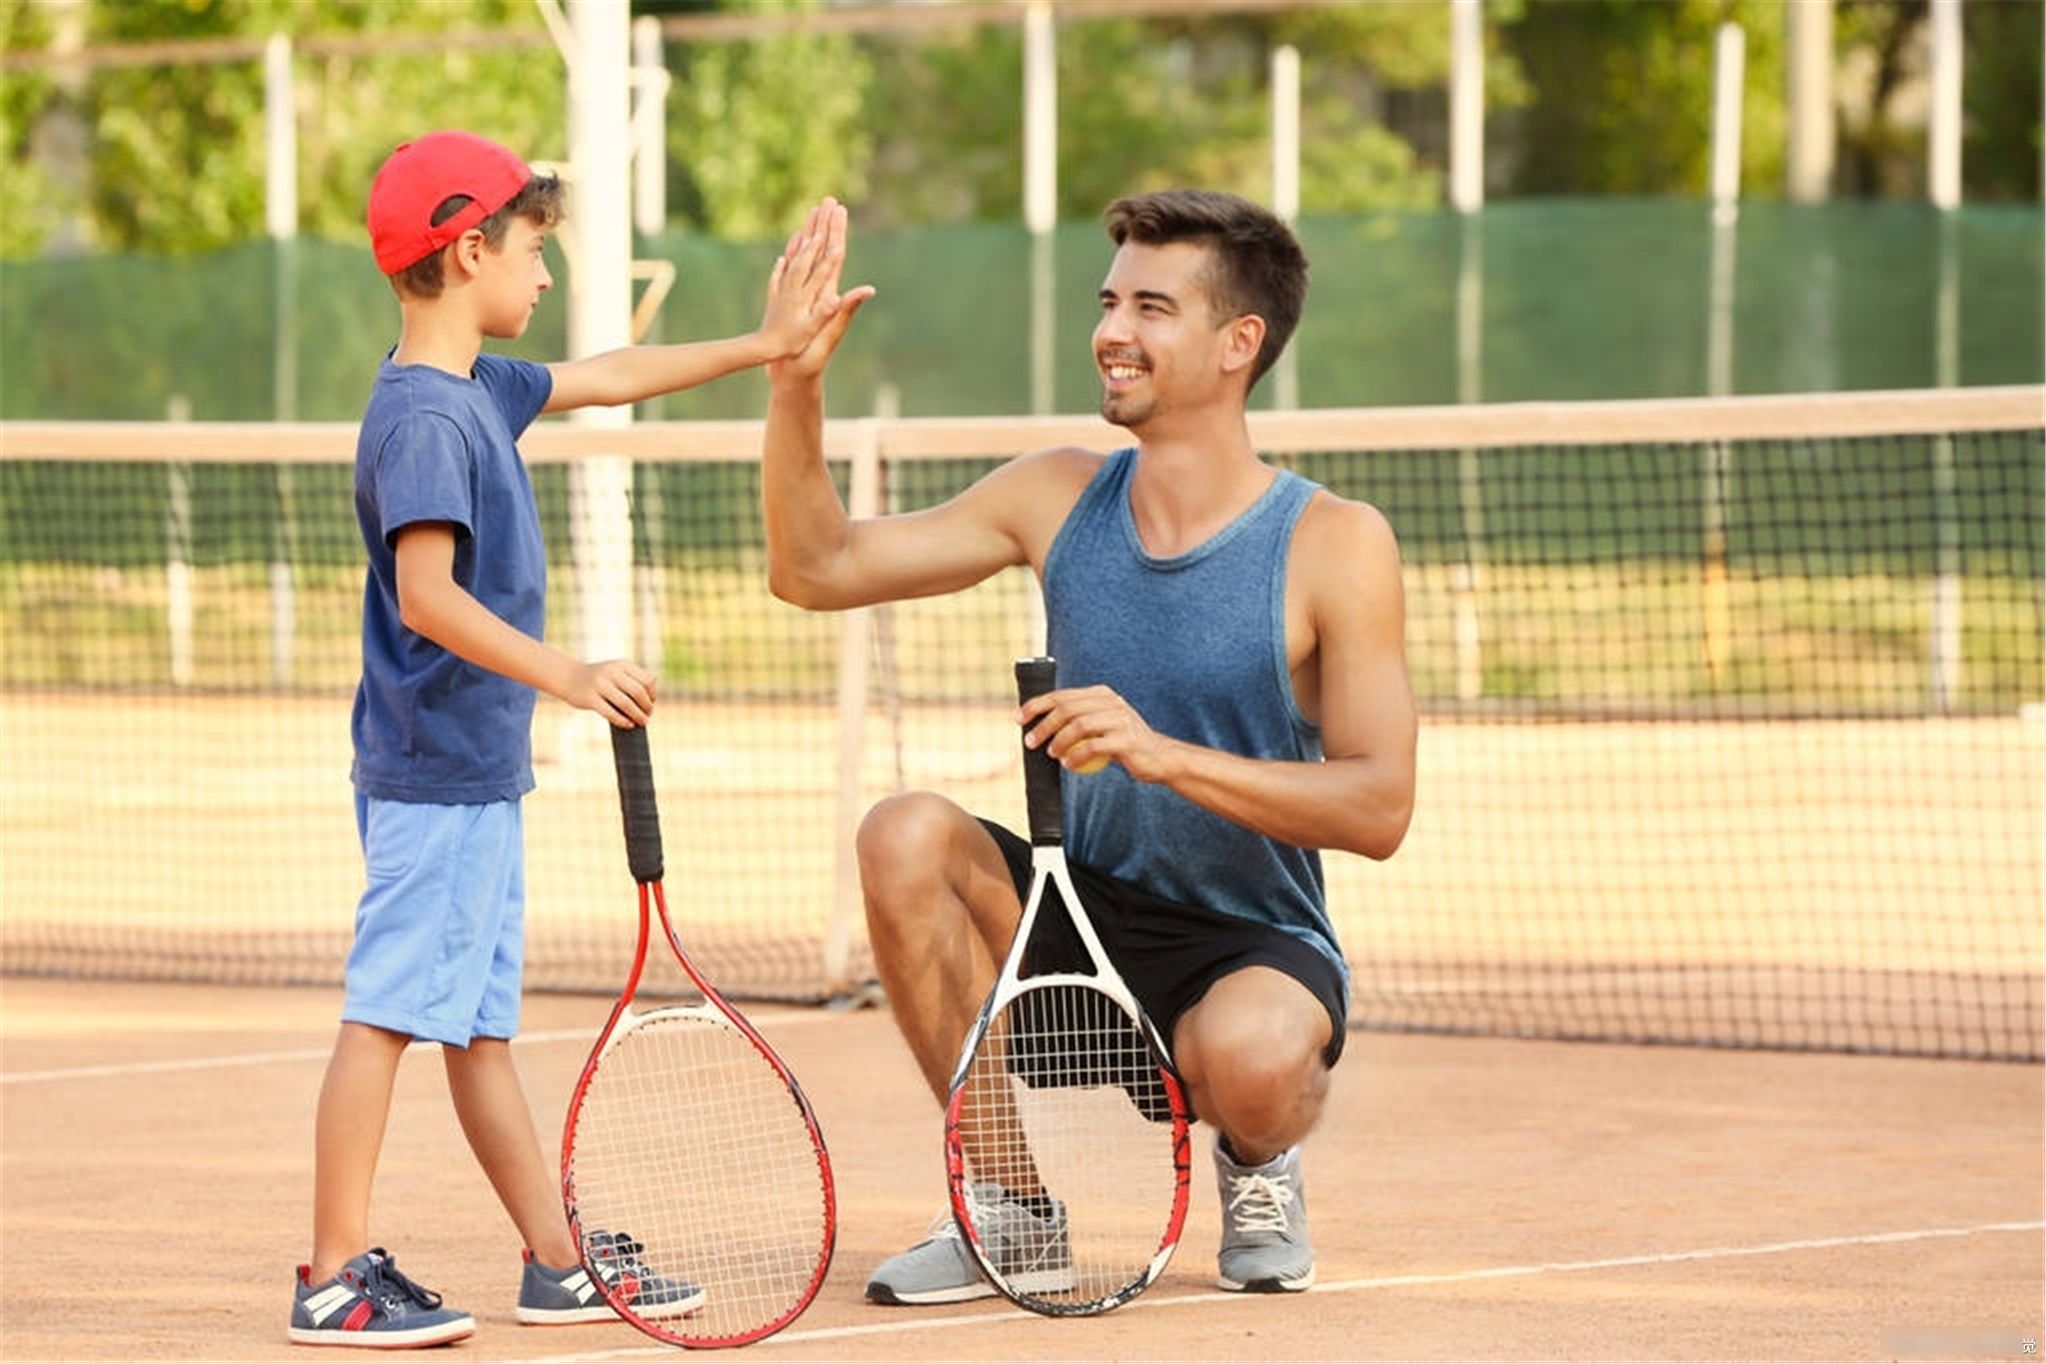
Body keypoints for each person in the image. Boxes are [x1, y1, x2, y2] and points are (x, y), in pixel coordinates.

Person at [760, 188, 1417, 1304]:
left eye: (1152, 306)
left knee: (1257, 1062)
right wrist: (795, 382)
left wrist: (1162, 753)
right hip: (1075, 908)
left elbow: (1378, 807)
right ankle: (1010, 1209)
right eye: (1109, 301)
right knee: (904, 832)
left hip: (1246, 938)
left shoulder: (1336, 542)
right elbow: (813, 569)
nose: (1111, 330)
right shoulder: (1054, 493)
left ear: (1237, 342)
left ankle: (1258, 1165)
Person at [290, 130, 852, 1348]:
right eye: (534, 248)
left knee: (478, 1032)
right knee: (387, 1013)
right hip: (435, 775)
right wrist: (574, 674)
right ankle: (333, 1273)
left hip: (472, 776)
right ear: (468, 247)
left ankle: (557, 1259)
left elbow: (607, 372)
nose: (545, 274)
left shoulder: (479, 389)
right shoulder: (428, 423)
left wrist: (766, 346)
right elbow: (429, 595)